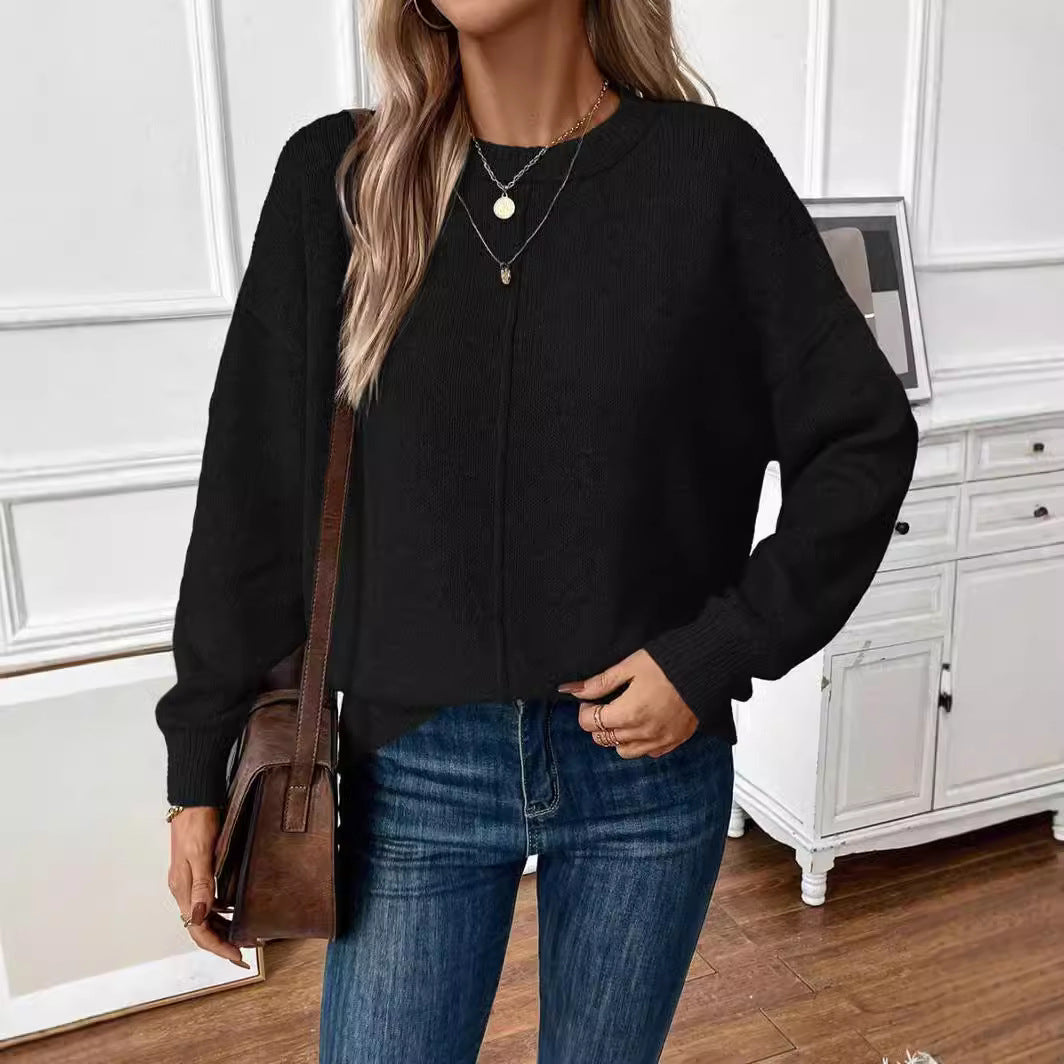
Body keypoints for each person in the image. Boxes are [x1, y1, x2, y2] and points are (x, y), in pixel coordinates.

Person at [156, 0, 919, 1060]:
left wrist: (713, 651)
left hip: (647, 771)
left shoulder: (707, 173)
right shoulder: (338, 178)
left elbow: (861, 439)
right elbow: (250, 491)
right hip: (410, 768)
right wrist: (197, 765)